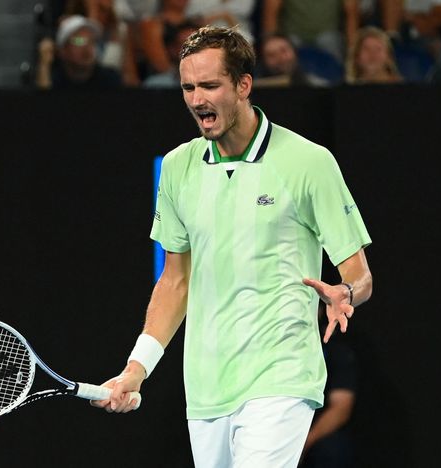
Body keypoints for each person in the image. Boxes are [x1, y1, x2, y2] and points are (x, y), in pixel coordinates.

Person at [92, 25, 373, 468]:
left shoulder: (309, 162)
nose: (197, 99)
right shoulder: (178, 168)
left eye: (209, 85)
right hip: (205, 389)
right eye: (188, 87)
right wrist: (136, 369)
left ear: (243, 85)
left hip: (281, 375)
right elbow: (175, 282)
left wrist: (348, 292)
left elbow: (359, 273)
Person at [299, 306, 358, 468]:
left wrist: (304, 443)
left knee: (331, 449)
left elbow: (341, 407)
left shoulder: (335, 350)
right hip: (273, 424)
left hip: (312, 438)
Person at [35, 14, 122, 90]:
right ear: (63, 50)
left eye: (91, 40)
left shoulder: (110, 80)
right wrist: (44, 65)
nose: (87, 47)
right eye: (79, 41)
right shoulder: (54, 81)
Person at [261, 0, 360, 63]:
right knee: (283, 55)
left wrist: (353, 51)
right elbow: (271, 12)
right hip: (292, 36)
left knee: (331, 43)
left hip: (328, 35)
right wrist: (271, 42)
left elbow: (352, 15)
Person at [254, 33, 329, 87]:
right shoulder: (254, 93)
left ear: (295, 52)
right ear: (263, 62)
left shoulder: (317, 87)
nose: (281, 59)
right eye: (272, 55)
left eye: (284, 51)